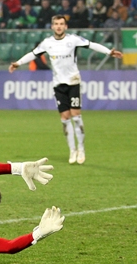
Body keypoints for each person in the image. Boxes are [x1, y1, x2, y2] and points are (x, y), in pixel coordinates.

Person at [8, 15, 123, 165]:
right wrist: (18, 63)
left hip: (73, 81)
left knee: (76, 115)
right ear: (52, 27)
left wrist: (109, 52)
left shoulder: (73, 40)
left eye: (61, 24)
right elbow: (33, 54)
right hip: (58, 84)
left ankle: (81, 149)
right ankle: (72, 150)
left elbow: (91, 44)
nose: (59, 26)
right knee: (65, 118)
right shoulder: (47, 43)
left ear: (66, 26)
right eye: (56, 24)